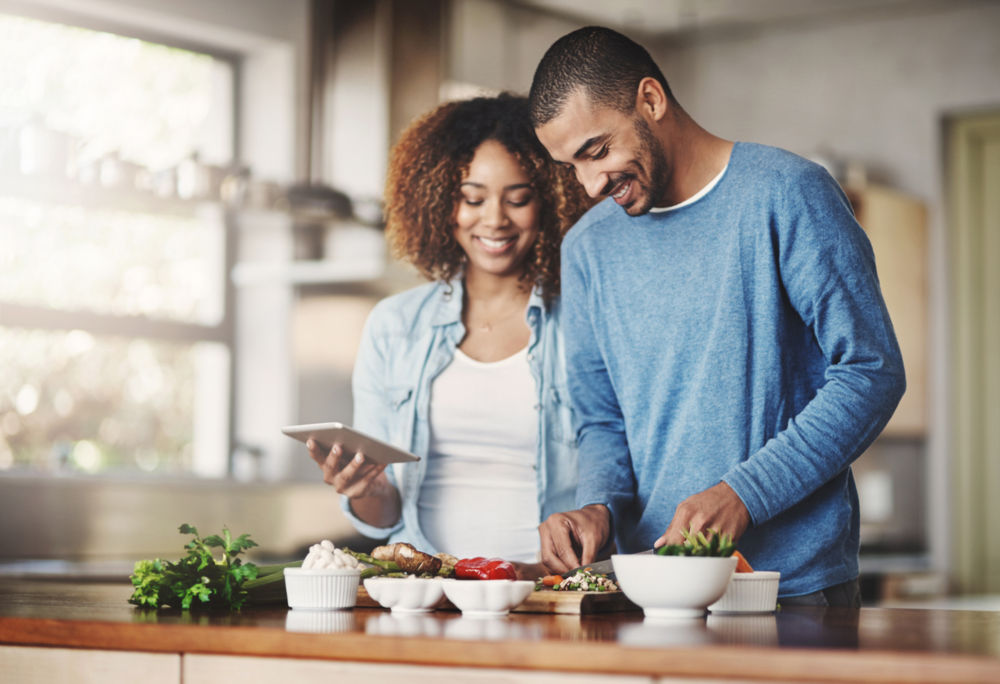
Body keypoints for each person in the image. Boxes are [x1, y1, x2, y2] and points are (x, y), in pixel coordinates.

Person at [528, 27, 905, 606]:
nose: (589, 184)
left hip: (791, 590)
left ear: (650, 100)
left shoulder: (788, 194)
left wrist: (744, 494)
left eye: (597, 151)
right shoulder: (586, 248)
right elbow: (602, 421)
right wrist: (597, 506)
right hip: (650, 588)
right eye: (569, 166)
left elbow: (870, 371)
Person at [305, 94, 590, 569]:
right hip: (426, 592)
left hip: (547, 594)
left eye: (518, 198)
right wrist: (368, 490)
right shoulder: (394, 327)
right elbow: (382, 517)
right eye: (472, 198)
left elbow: (616, 481)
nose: (495, 219)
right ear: (440, 202)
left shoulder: (584, 323)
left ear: (550, 203)